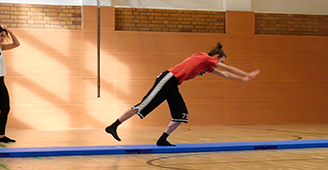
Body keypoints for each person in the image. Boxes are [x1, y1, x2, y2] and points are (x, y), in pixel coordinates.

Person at [105, 42, 260, 146]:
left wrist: (243, 79)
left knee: (181, 114)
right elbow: (227, 69)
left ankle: (163, 139)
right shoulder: (203, 57)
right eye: (221, 61)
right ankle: (113, 126)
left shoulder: (207, 65)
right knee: (143, 105)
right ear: (217, 57)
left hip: (173, 85)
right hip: (167, 79)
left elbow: (224, 75)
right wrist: (247, 73)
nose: (221, 64)